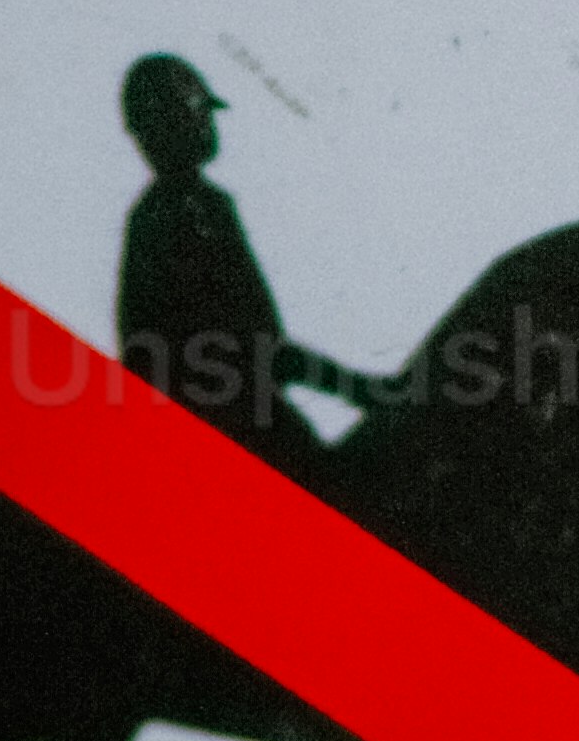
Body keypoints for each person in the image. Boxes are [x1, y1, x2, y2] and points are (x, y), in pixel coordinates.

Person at [112, 56, 383, 455]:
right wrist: (357, 388)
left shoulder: (176, 211)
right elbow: (259, 347)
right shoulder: (188, 213)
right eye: (197, 111)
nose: (208, 123)